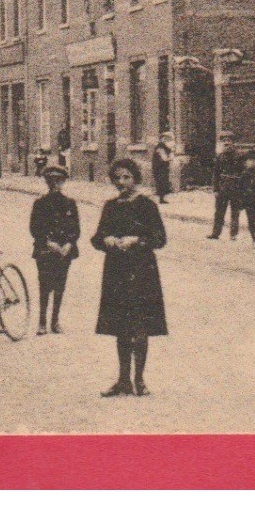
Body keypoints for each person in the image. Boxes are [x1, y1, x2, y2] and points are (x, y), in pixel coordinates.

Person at [93, 157, 168, 397]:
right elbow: (97, 237)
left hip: (142, 270)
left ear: (135, 178)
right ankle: (123, 379)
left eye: (127, 177)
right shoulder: (111, 206)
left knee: (140, 324)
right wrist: (106, 240)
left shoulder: (146, 205)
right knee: (120, 327)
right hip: (116, 270)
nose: (122, 182)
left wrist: (136, 240)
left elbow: (160, 238)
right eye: (117, 178)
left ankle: (140, 380)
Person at [30, 164, 81, 334]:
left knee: (60, 285)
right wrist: (47, 242)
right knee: (44, 286)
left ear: (63, 182)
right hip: (45, 250)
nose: (55, 184)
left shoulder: (69, 204)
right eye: (51, 181)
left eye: (59, 181)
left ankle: (55, 321)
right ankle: (42, 322)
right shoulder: (40, 203)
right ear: (46, 182)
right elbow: (34, 228)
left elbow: (75, 229)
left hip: (64, 251)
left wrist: (69, 243)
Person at [206, 134, 242, 240]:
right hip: (222, 188)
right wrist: (216, 189)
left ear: (233, 143)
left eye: (229, 141)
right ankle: (216, 233)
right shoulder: (219, 157)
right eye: (224, 142)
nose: (226, 144)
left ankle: (233, 234)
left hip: (236, 187)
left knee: (235, 212)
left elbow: (244, 173)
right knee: (219, 212)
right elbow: (216, 174)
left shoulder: (239, 156)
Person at [151, 137, 174, 204]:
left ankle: (162, 198)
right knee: (161, 182)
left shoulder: (163, 147)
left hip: (161, 168)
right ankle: (161, 199)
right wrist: (170, 156)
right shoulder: (160, 148)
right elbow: (165, 158)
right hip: (159, 168)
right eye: (167, 140)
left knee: (162, 182)